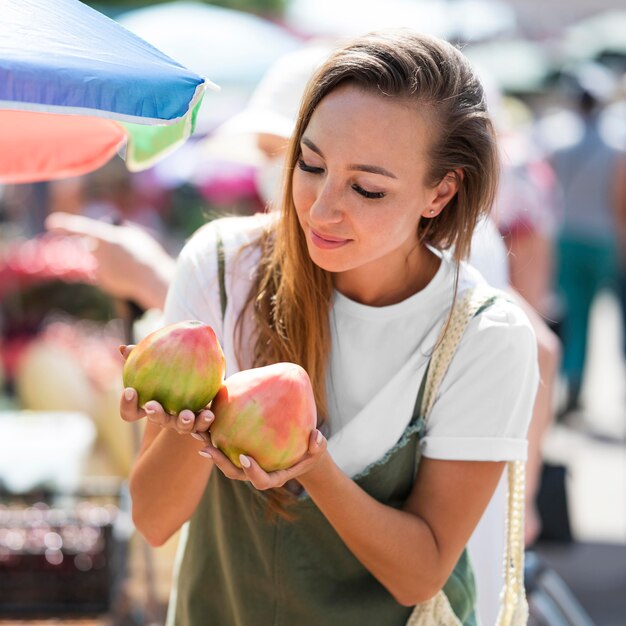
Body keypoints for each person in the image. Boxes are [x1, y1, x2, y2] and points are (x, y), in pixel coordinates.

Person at [114, 30, 538, 626]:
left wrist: (312, 466)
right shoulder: (223, 267)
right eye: (310, 164)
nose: (320, 208)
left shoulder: (484, 336)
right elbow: (153, 520)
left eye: (366, 188)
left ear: (441, 191)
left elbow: (420, 571)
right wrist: (197, 424)